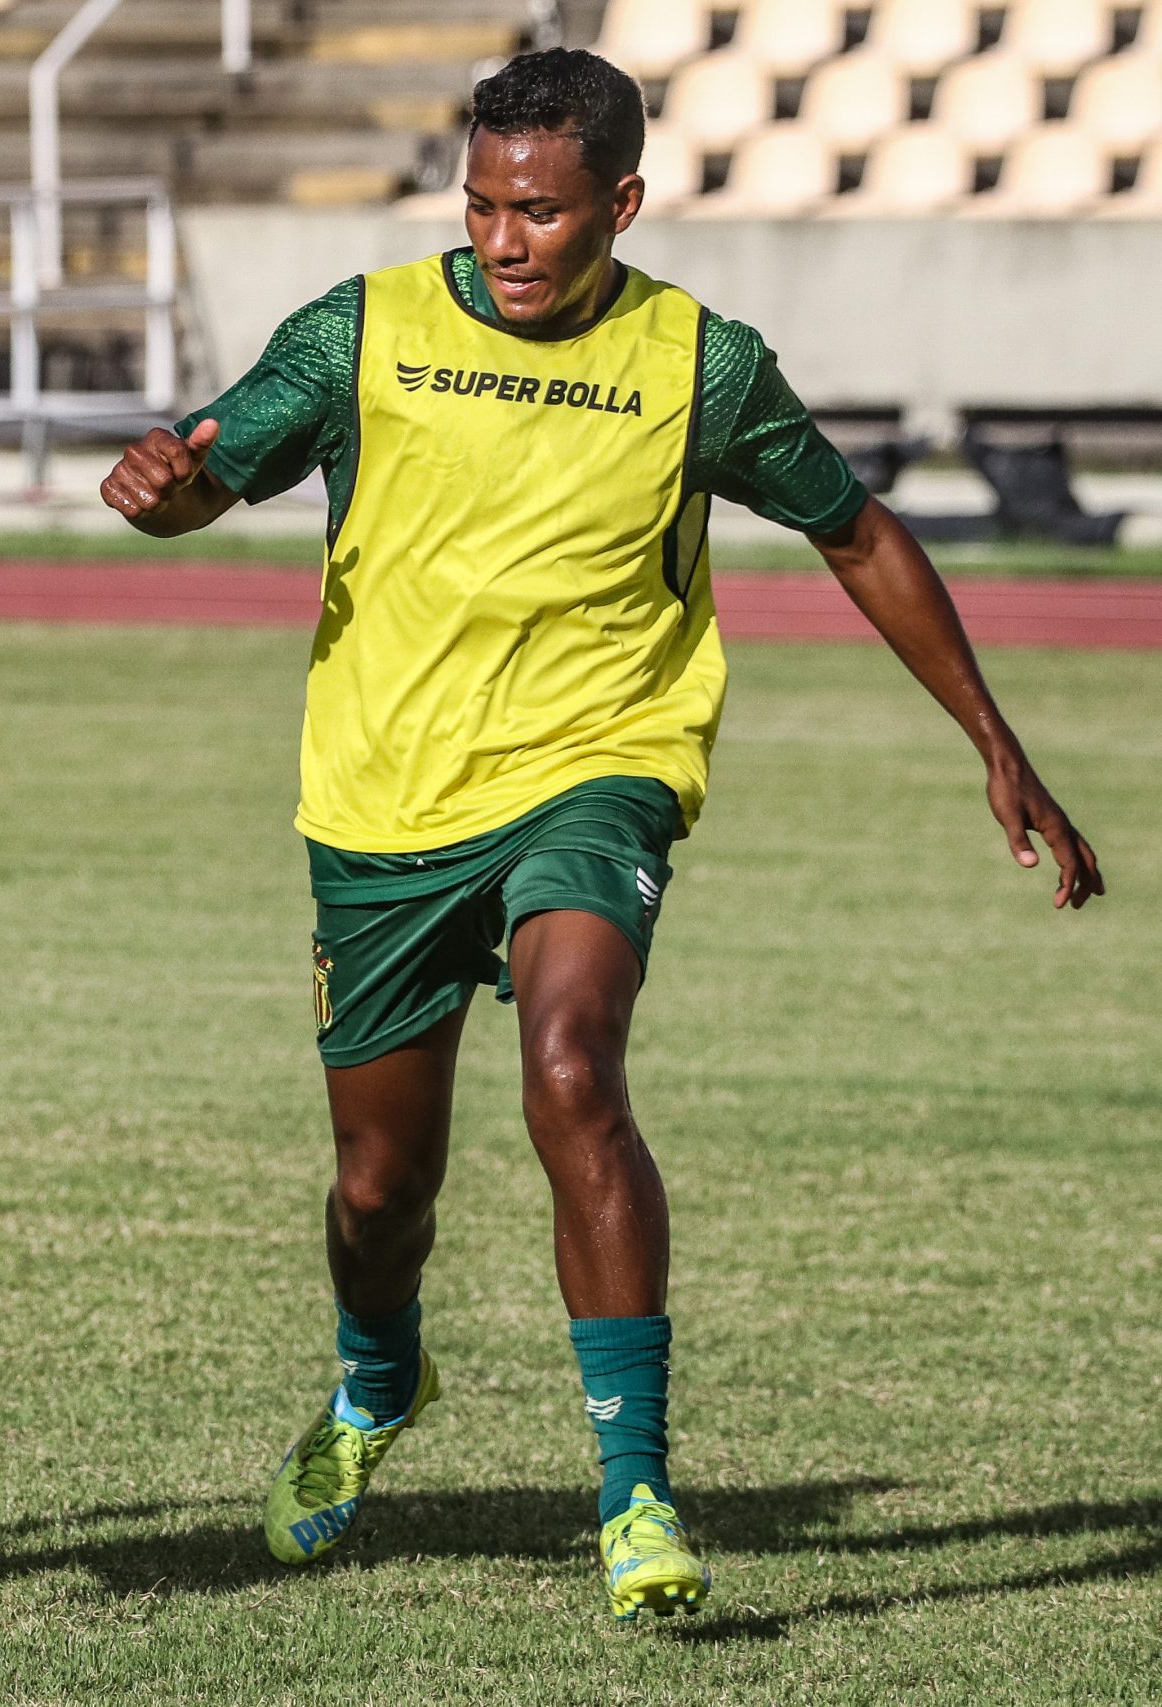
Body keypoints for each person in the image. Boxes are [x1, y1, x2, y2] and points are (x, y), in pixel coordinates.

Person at [99, 48, 1100, 1622]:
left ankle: (635, 1493)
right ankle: (376, 1389)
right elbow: (204, 476)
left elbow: (856, 530)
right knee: (380, 1187)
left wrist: (997, 740)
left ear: (620, 205)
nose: (507, 241)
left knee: (574, 1068)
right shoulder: (361, 331)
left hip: (597, 766)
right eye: (486, 204)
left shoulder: (698, 365)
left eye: (545, 213)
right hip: (382, 802)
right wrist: (160, 484)